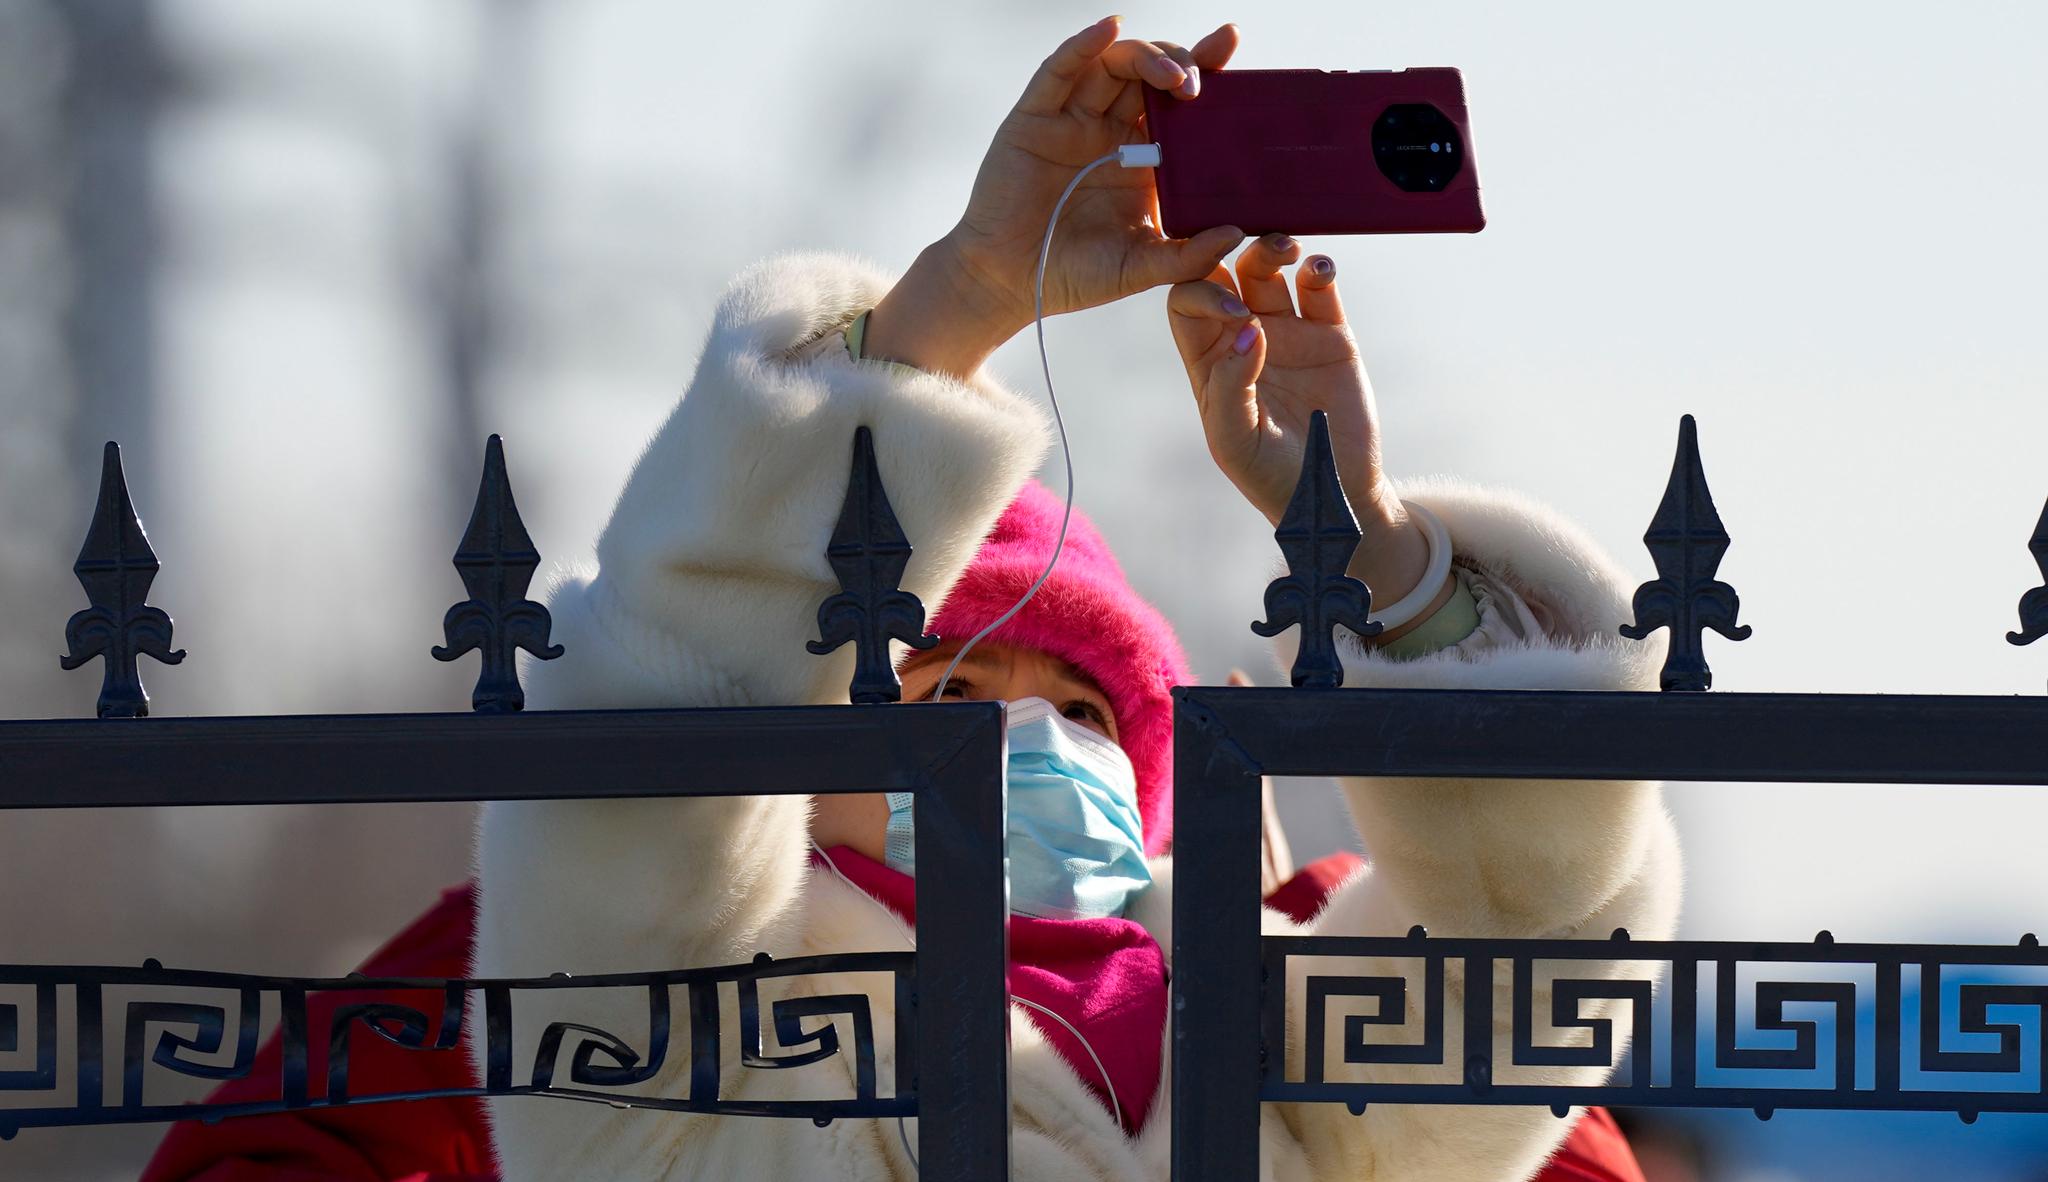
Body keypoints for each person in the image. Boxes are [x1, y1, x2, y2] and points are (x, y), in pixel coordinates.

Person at [143, 17, 1680, 1182]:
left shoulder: (1283, 1012)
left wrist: (1379, 551)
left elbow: (1530, 945)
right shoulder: (696, 1025)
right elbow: (663, 746)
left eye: (1080, 708)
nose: (1027, 741)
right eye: (948, 693)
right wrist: (959, 302)